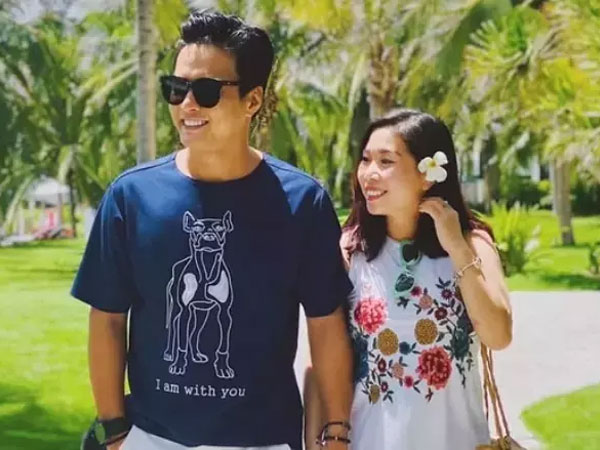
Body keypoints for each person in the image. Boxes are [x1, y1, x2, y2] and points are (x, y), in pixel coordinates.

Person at [72, 10, 353, 450]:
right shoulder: (131, 196)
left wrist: (336, 430)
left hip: (263, 441)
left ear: (253, 101)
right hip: (152, 439)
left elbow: (325, 324)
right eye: (176, 88)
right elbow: (107, 318)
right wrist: (114, 429)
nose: (187, 104)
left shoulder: (303, 202)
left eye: (205, 91)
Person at [305, 108, 512, 449]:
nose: (369, 174)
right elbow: (321, 364)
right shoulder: (349, 251)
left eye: (386, 161)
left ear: (428, 174)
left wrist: (456, 247)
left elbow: (498, 335)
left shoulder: (474, 244)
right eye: (365, 160)